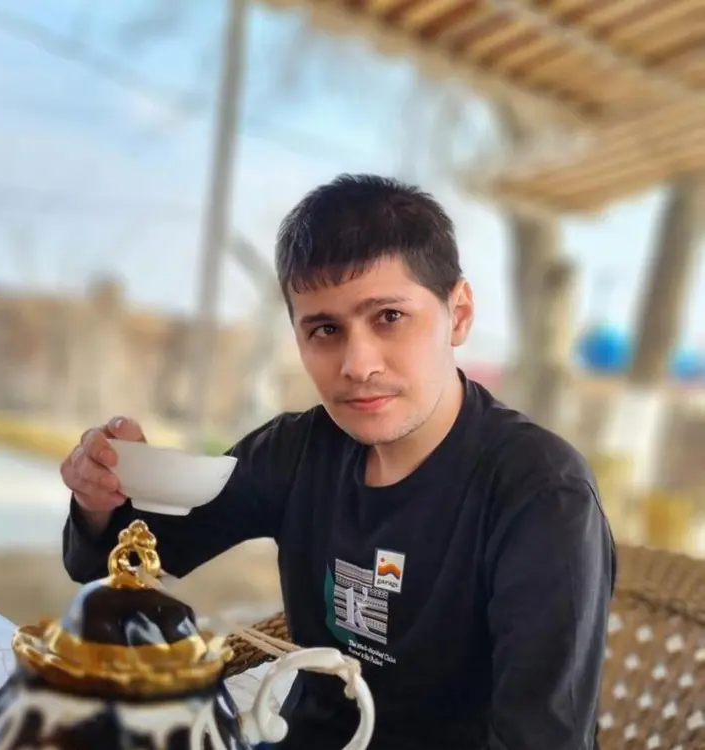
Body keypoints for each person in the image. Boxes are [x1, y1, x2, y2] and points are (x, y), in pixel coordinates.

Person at [61, 174, 616, 750]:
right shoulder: (297, 452)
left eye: (389, 317)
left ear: (458, 313)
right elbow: (123, 561)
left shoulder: (541, 495)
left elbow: (542, 739)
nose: (357, 364)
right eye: (325, 329)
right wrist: (102, 494)